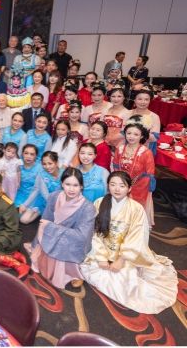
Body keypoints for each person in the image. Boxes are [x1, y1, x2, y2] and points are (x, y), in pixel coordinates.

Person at [80, 171, 178, 314]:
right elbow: (94, 233)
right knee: (98, 271)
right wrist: (101, 257)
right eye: (113, 184)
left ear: (129, 188)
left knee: (126, 283)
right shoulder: (99, 203)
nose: (117, 189)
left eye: (122, 186)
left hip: (125, 253)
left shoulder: (136, 209)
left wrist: (121, 260)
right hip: (102, 249)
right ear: (108, 186)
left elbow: (137, 238)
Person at [27, 167, 97, 289]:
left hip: (72, 242)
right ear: (62, 184)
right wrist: (36, 243)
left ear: (81, 186)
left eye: (75, 185)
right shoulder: (54, 196)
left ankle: (73, 273)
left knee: (62, 242)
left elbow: (82, 236)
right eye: (67, 184)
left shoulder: (88, 208)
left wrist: (52, 228)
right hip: (53, 235)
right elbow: (45, 220)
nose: (71, 189)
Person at [112, 122, 155, 225]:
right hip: (120, 183)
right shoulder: (120, 149)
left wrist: (132, 186)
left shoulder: (146, 152)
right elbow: (116, 167)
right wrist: (120, 184)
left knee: (133, 212)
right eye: (129, 133)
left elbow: (149, 174)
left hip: (139, 186)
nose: (131, 136)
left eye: (136, 134)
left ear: (142, 136)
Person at [18, 151, 62, 224]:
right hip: (43, 200)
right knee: (24, 220)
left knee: (55, 223)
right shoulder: (42, 174)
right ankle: (40, 211)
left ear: (56, 162)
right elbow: (36, 190)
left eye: (50, 163)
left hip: (58, 203)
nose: (47, 167)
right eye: (44, 164)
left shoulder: (64, 174)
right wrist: (25, 204)